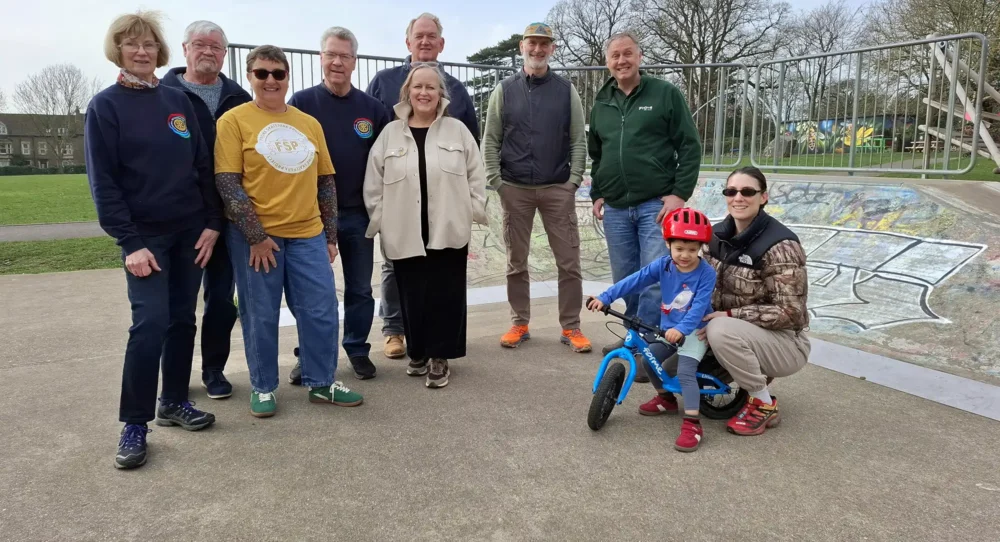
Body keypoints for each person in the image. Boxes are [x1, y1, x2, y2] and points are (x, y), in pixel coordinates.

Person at [86, 10, 221, 470]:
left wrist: (212, 223)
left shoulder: (178, 102)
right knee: (150, 324)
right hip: (145, 239)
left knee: (184, 319)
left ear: (160, 52)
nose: (141, 52)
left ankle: (174, 401)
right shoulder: (105, 107)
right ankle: (135, 423)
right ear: (118, 51)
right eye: (131, 45)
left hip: (190, 233)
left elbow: (203, 166)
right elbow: (104, 184)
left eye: (148, 45)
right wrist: (129, 242)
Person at [214, 45, 364, 418]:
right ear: (250, 77)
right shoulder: (234, 121)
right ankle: (263, 387)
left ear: (287, 77)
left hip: (307, 233)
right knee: (260, 313)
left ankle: (322, 382)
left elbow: (325, 180)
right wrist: (255, 235)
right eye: (261, 73)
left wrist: (329, 235)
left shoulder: (307, 123)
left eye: (278, 73)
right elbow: (228, 182)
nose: (270, 80)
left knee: (321, 309)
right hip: (258, 238)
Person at [363, 64, 488, 388]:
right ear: (407, 92)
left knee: (445, 295)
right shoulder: (391, 133)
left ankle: (439, 356)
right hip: (404, 228)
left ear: (440, 94)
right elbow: (374, 182)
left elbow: (476, 174)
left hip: (447, 227)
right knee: (412, 294)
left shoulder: (456, 131)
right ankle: (417, 352)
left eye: (431, 87)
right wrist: (381, 220)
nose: (424, 92)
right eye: (418, 86)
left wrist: (470, 211)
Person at [587, 31, 703, 372]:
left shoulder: (665, 94)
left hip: (656, 204)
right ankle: (634, 338)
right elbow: (598, 155)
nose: (621, 61)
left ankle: (653, 350)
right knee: (626, 278)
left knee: (654, 280)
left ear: (639, 57)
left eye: (628, 54)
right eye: (615, 56)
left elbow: (689, 145)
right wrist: (597, 193)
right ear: (607, 62)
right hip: (617, 209)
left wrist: (680, 193)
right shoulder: (601, 102)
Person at [286, 26, 391, 383]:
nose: (337, 62)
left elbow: (386, 162)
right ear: (321, 58)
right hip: (310, 217)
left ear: (354, 62)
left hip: (359, 215)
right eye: (331, 54)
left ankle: (357, 349)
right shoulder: (300, 104)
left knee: (361, 289)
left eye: (344, 56)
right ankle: (310, 354)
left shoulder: (373, 109)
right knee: (313, 293)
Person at [481, 22, 591, 354]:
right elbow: (491, 140)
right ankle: (519, 323)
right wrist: (497, 183)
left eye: (545, 44)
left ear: (552, 49)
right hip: (514, 188)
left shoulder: (565, 89)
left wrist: (572, 182)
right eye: (533, 43)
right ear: (521, 47)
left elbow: (578, 140)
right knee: (516, 262)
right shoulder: (505, 89)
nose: (538, 50)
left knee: (569, 261)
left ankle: (571, 326)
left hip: (558, 187)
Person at [161, 20, 252, 399]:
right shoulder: (162, 93)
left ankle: (214, 369)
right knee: (177, 308)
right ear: (184, 49)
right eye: (200, 44)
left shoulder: (239, 97)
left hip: (227, 217)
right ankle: (175, 382)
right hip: (180, 220)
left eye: (215, 46)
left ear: (225, 54)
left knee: (220, 300)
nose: (208, 52)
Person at [587, 208, 716, 452]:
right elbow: (634, 280)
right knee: (649, 359)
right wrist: (605, 297)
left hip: (694, 330)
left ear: (700, 247)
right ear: (668, 244)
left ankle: (692, 424)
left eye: (692, 249)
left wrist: (682, 329)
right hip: (668, 329)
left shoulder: (706, 273)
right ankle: (666, 399)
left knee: (686, 373)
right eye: (679, 248)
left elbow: (699, 307)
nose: (685, 255)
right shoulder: (664, 265)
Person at [698, 166, 810, 436]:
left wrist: (732, 315)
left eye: (748, 191)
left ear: (763, 197)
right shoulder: (715, 237)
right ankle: (735, 370)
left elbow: (792, 313)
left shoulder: (781, 246)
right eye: (731, 191)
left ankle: (763, 402)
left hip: (785, 342)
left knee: (720, 329)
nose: (738, 197)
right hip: (731, 331)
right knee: (673, 369)